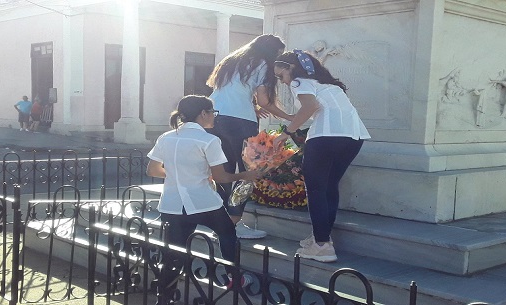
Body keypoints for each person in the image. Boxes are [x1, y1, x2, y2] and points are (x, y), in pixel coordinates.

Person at [146, 95, 261, 304]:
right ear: (203, 113)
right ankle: (233, 277)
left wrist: (178, 174)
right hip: (203, 201)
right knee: (227, 232)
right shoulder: (209, 140)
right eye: (213, 113)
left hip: (172, 204)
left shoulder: (166, 137)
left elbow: (153, 170)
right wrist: (246, 175)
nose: (214, 117)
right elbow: (222, 177)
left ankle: (164, 297)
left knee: (174, 252)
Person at [273, 49, 371, 262]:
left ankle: (322, 245)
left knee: (316, 189)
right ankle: (322, 237)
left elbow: (310, 107)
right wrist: (291, 120)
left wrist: (286, 133)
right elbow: (315, 110)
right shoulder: (328, 85)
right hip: (353, 137)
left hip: (325, 137)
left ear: (291, 68)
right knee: (329, 187)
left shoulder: (299, 81)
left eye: (280, 76)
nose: (281, 81)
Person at [206, 34, 294, 239]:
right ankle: (233, 224)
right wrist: (290, 116)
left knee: (223, 173)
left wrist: (250, 105)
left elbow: (230, 91)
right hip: (240, 122)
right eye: (278, 53)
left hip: (213, 118)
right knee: (248, 173)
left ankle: (221, 224)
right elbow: (265, 101)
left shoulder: (232, 60)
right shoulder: (263, 63)